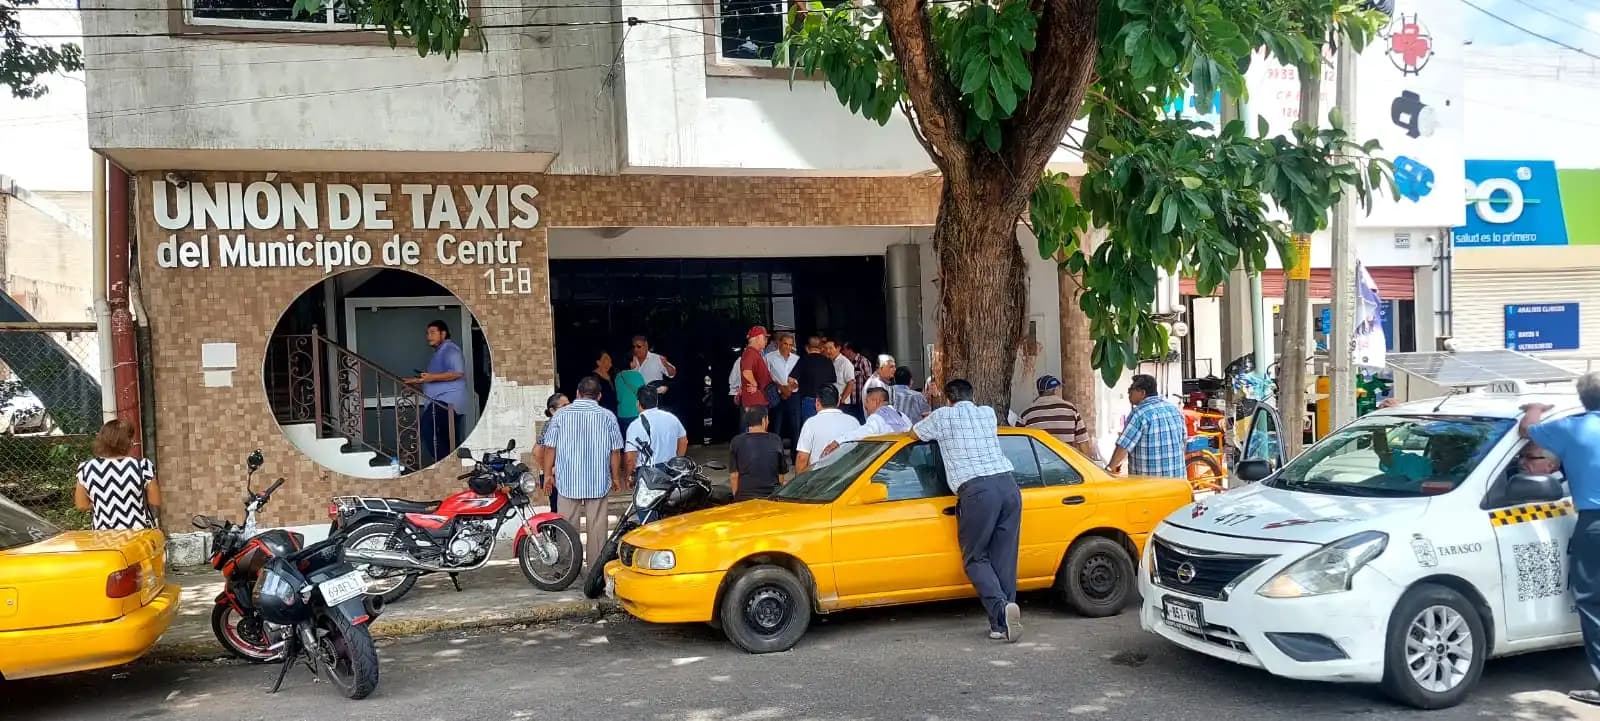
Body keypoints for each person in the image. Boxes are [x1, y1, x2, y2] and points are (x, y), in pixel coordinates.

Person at [912, 379, 1022, 643]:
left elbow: (915, 432)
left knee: (976, 558)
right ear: (972, 396)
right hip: (1008, 486)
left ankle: (1000, 608)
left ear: (948, 398)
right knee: (1004, 556)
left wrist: (931, 416)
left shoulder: (942, 417)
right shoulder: (986, 413)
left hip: (977, 492)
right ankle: (1001, 624)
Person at [1520, 376, 1600, 706]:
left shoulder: (1572, 427)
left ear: (1583, 399)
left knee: (1593, 601)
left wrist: (1535, 408)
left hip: (1594, 523)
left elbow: (1528, 429)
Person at [540, 376, 623, 571]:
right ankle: (595, 570)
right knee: (597, 529)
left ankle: (568, 568)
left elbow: (549, 448)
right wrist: (616, 477)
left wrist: (548, 475)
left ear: (577, 393)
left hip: (568, 481)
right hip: (598, 481)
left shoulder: (560, 415)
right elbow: (615, 451)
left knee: (567, 527)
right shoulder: (607, 416)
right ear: (599, 396)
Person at [74, 419, 161, 531]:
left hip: (103, 535)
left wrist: (104, 502)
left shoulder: (86, 468)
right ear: (129, 442)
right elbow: (155, 500)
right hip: (138, 533)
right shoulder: (142, 466)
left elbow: (81, 505)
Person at [405, 319, 468, 465]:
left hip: (446, 402)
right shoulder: (440, 352)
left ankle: (443, 462)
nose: (429, 336)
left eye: (433, 332)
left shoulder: (450, 350)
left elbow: (458, 373)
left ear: (443, 334)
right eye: (427, 333)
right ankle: (453, 464)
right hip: (444, 401)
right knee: (448, 438)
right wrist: (415, 382)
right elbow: (434, 379)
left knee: (427, 427)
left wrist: (431, 377)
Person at [1107, 374, 1187, 479]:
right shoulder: (1174, 409)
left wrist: (1108, 470)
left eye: (1131, 390)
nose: (1128, 393)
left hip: (1150, 487)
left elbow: (1123, 447)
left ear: (1142, 393)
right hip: (1177, 483)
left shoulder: (1140, 414)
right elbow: (1183, 442)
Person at [1021, 375, 1099, 461]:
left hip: (1039, 467)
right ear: (1055, 390)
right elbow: (1083, 442)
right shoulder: (1070, 409)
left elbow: (1019, 444)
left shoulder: (1026, 413)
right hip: (1067, 465)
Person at [623, 386, 688, 485]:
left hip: (647, 475)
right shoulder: (672, 418)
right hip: (671, 471)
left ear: (638, 403)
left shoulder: (635, 425)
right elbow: (684, 441)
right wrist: (676, 462)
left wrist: (629, 477)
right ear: (657, 401)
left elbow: (630, 459)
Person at [824, 387, 913, 456]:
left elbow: (863, 432)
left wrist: (838, 441)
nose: (865, 406)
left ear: (877, 401)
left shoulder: (877, 417)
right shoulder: (902, 416)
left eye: (867, 401)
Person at [795, 384, 861, 474]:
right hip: (847, 478)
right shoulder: (854, 422)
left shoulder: (811, 423)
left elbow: (802, 458)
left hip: (820, 481)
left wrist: (799, 484)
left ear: (817, 403)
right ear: (838, 402)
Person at [729, 406, 788, 501]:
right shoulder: (775, 439)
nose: (768, 422)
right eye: (768, 419)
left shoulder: (736, 441)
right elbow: (780, 475)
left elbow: (734, 476)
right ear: (764, 420)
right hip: (770, 498)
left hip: (744, 498)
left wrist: (737, 498)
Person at [791, 336, 837, 428]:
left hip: (808, 400)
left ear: (807, 348)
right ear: (821, 347)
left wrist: (796, 387)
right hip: (826, 400)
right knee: (825, 428)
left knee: (810, 429)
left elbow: (791, 380)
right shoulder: (828, 361)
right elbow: (832, 382)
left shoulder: (803, 360)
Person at [535, 392, 570, 511]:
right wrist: (549, 472)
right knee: (559, 510)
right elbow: (537, 451)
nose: (568, 408)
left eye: (569, 405)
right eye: (564, 406)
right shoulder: (552, 425)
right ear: (552, 410)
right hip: (555, 475)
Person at [766, 333, 801, 445]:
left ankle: (795, 456)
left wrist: (788, 390)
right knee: (776, 426)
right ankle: (775, 455)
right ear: (779, 343)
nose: (788, 347)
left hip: (793, 396)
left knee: (795, 427)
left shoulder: (797, 359)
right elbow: (766, 377)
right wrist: (781, 388)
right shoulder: (769, 357)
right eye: (785, 343)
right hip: (777, 395)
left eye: (790, 344)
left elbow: (800, 378)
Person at [739, 326, 774, 410]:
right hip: (755, 402)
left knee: (763, 422)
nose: (766, 341)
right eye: (764, 338)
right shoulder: (750, 352)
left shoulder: (754, 353)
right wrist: (755, 384)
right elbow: (746, 371)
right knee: (758, 423)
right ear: (758, 338)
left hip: (758, 401)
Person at [825, 339, 857, 420]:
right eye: (826, 348)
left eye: (830, 348)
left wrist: (842, 400)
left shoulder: (845, 363)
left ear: (838, 348)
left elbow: (851, 383)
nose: (828, 351)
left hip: (842, 404)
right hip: (830, 404)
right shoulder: (827, 362)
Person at [842, 342, 873, 421]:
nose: (842, 352)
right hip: (849, 401)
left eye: (844, 349)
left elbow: (870, 382)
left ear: (850, 350)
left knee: (861, 421)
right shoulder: (846, 363)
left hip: (860, 400)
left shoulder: (863, 361)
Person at [614, 364, 647, 437]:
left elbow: (618, 397)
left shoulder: (618, 376)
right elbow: (644, 393)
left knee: (626, 440)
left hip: (621, 413)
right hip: (635, 413)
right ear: (631, 363)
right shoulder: (636, 375)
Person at [588, 349, 618, 415]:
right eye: (606, 358)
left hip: (613, 411)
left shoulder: (612, 374)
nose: (609, 360)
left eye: (609, 358)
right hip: (602, 413)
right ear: (598, 362)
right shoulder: (594, 378)